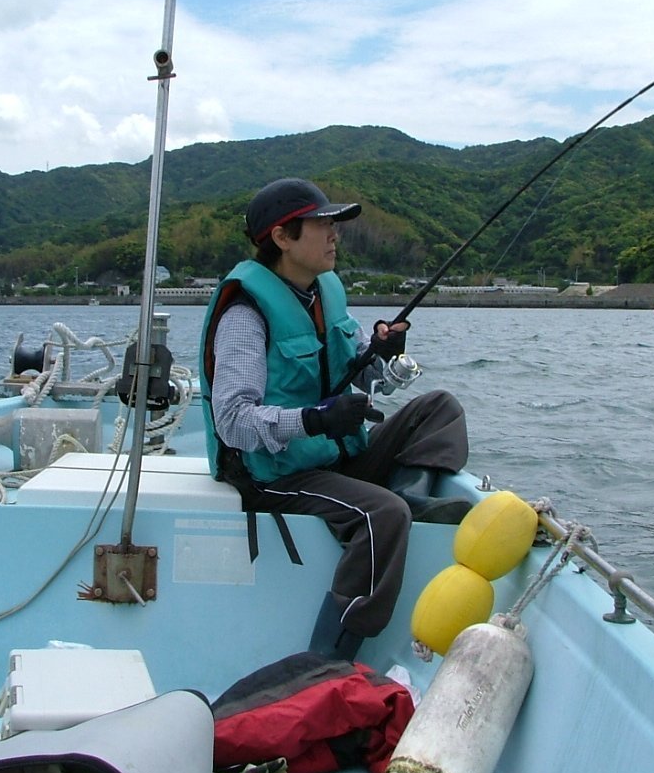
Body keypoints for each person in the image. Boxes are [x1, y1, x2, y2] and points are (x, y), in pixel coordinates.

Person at [200, 178, 471, 662]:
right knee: (382, 516)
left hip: (335, 454)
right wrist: (316, 419)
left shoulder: (324, 292)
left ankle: (408, 500)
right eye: (322, 224)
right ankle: (330, 658)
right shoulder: (245, 313)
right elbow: (234, 422)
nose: (334, 234)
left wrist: (379, 355)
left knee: (440, 408)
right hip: (277, 474)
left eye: (334, 224)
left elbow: (358, 378)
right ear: (282, 237)